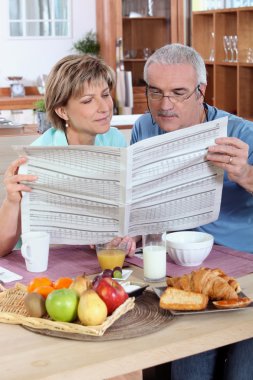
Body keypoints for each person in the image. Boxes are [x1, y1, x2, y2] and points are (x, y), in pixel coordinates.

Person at [130, 43, 253, 380]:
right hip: (176, 272)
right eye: (155, 92)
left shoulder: (241, 134)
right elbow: (139, 196)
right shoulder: (144, 127)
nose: (165, 105)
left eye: (178, 93)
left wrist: (244, 173)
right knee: (187, 367)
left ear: (201, 91)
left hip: (242, 273)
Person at [0, 54, 136, 257]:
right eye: (88, 100)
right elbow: (2, 248)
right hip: (46, 262)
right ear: (62, 111)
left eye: (105, 94)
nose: (105, 107)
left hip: (95, 261)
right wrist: (12, 200)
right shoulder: (39, 157)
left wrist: (126, 237)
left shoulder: (114, 140)